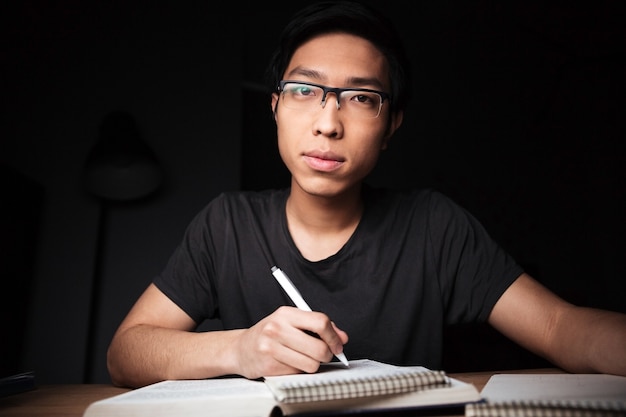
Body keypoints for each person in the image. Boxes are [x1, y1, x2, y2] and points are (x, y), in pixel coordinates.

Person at [107, 1, 626, 388]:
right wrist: (240, 349)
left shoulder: (433, 226)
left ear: (392, 122)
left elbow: (559, 326)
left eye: (360, 97)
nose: (328, 124)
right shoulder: (226, 225)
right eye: (305, 91)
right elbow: (126, 352)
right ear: (274, 106)